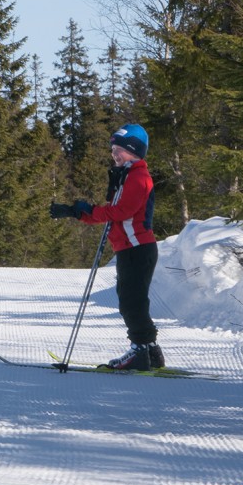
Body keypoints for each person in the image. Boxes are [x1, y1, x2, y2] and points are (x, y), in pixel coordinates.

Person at [50, 122, 161, 370]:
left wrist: (91, 210)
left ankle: (140, 350)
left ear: (133, 150)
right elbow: (112, 212)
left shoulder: (138, 177)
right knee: (132, 298)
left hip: (137, 248)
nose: (114, 155)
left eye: (118, 151)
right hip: (130, 248)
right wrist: (75, 212)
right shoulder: (125, 176)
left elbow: (121, 211)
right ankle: (150, 351)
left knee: (131, 301)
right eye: (113, 151)